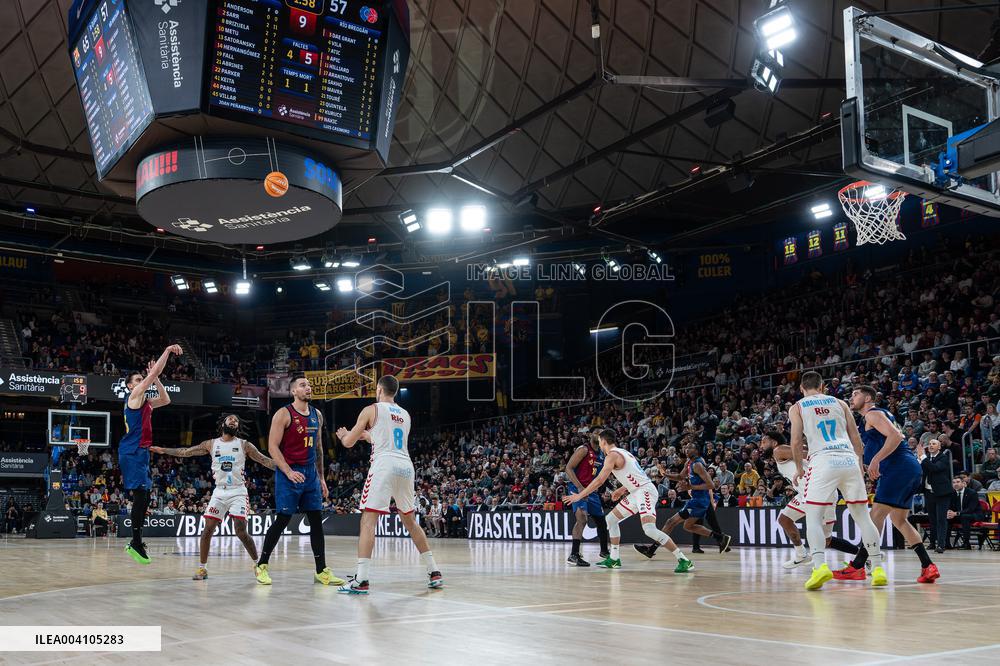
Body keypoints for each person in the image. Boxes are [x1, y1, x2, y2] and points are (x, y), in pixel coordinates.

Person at [335, 375, 443, 594]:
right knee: (411, 522)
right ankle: (434, 571)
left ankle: (361, 580)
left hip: (384, 465)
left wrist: (345, 435)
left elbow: (348, 443)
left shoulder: (370, 409)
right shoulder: (405, 414)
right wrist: (368, 436)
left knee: (368, 521)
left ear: (378, 389)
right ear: (395, 391)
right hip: (405, 466)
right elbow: (385, 437)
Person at [151, 414, 276, 580]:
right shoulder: (211, 444)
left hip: (238, 491)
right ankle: (202, 569)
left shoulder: (244, 445)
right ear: (223, 423)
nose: (233, 421)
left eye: (236, 420)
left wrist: (288, 469)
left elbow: (264, 460)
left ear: (237, 427)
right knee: (207, 529)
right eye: (230, 419)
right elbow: (185, 452)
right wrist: (164, 450)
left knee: (240, 530)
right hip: (219, 492)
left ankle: (258, 565)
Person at [790, 371, 884, 590]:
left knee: (813, 517)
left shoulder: (798, 406)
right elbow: (856, 438)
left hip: (823, 460)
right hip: (849, 459)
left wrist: (798, 468)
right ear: (822, 387)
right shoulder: (840, 403)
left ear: (802, 388)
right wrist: (859, 463)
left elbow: (795, 442)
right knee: (863, 517)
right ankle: (878, 568)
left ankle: (820, 566)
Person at [254, 375, 344, 587]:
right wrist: (287, 471)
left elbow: (319, 448)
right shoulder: (283, 414)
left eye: (309, 385)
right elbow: (273, 447)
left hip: (310, 474)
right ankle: (262, 565)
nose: (308, 388)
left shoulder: (317, 415)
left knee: (316, 520)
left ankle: (321, 571)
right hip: (289, 472)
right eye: (303, 385)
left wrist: (321, 478)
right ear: (293, 391)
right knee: (283, 519)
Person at [843, 386, 939, 583]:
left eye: (855, 394)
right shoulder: (874, 417)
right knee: (899, 520)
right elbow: (872, 444)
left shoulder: (872, 414)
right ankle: (928, 566)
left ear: (868, 397)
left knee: (875, 517)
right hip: (909, 469)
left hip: (899, 468)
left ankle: (858, 566)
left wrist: (876, 460)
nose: (852, 397)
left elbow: (896, 436)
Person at [563, 429, 693, 572]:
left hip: (645, 492)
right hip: (637, 491)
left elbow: (600, 480)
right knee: (611, 519)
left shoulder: (611, 456)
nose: (599, 444)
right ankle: (614, 559)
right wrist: (622, 489)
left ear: (604, 441)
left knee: (649, 529)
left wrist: (579, 495)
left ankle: (683, 560)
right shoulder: (624, 452)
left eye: (600, 441)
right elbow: (637, 475)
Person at [764, 430, 865, 570]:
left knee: (824, 539)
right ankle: (801, 554)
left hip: (820, 492)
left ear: (774, 442)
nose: (761, 445)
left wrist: (819, 453)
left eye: (764, 442)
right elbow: (804, 451)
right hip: (807, 493)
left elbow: (807, 453)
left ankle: (864, 557)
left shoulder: (778, 450)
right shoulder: (783, 452)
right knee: (786, 520)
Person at [120, 344, 183, 565]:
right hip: (132, 451)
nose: (141, 382)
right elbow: (155, 371)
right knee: (140, 496)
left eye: (141, 380)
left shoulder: (146, 403)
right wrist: (166, 351)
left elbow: (166, 400)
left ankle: (136, 541)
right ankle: (135, 542)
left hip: (141, 451)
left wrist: (155, 380)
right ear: (130, 386)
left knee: (145, 497)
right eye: (137, 380)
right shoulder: (135, 396)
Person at [634, 442, 732, 559]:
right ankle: (721, 537)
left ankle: (652, 549)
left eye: (690, 447)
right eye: (686, 447)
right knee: (688, 526)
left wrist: (690, 487)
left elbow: (711, 484)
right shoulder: (688, 463)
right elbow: (680, 476)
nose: (686, 449)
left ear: (696, 451)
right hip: (697, 500)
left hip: (699, 501)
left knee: (671, 522)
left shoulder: (697, 465)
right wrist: (666, 474)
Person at [563, 433, 610, 566]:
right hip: (577, 488)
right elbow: (568, 468)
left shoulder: (602, 453)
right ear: (590, 435)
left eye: (601, 433)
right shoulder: (583, 449)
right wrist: (579, 487)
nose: (599, 435)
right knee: (582, 518)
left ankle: (604, 552)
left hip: (591, 490)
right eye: (596, 432)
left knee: (601, 521)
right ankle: (574, 554)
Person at [919, 438, 953, 553]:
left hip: (942, 493)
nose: (931, 445)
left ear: (939, 447)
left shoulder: (943, 458)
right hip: (929, 492)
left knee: (941, 519)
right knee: (932, 519)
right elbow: (923, 470)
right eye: (929, 444)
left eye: (934, 444)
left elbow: (934, 468)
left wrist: (923, 457)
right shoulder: (927, 458)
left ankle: (941, 545)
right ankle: (933, 542)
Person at [949, 476, 982, 549]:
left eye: (958, 482)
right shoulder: (952, 493)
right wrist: (949, 512)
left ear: (963, 483)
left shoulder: (972, 493)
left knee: (964, 517)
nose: (955, 484)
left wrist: (956, 513)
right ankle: (947, 543)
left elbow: (970, 509)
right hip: (960, 515)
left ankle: (966, 543)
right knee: (947, 518)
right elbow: (950, 506)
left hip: (974, 515)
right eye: (953, 482)